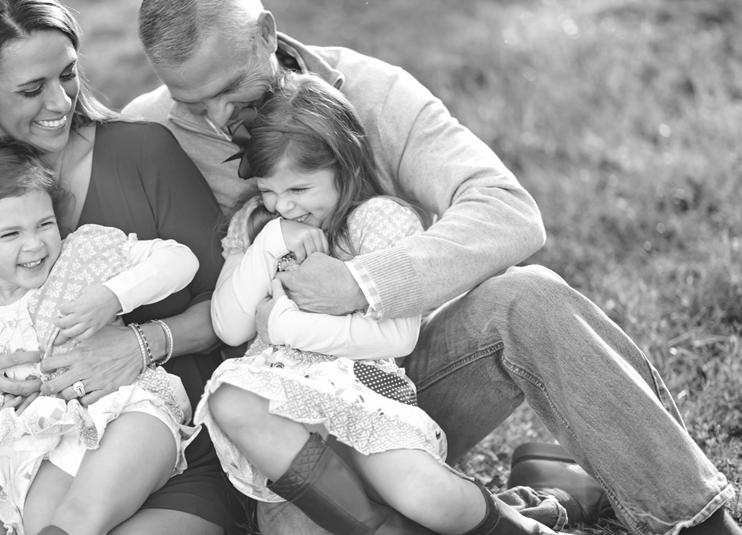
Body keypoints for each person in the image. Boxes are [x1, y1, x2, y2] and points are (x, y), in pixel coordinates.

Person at [125, 1, 741, 534]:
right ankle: (534, 503)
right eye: (192, 101)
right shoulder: (151, 131)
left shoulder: (373, 91)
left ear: (265, 34)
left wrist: (361, 282)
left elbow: (506, 212)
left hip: (398, 380)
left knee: (528, 296)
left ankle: (694, 518)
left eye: (232, 88)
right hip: (276, 423)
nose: (218, 118)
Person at [196, 72, 558, 535]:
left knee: (424, 494)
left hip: (363, 402)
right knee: (231, 399)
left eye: (299, 190)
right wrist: (268, 241)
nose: (284, 206)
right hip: (285, 430)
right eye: (270, 191)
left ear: (343, 168)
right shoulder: (257, 224)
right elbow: (228, 327)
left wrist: (282, 327)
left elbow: (398, 337)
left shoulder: (378, 222)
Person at [0, 2, 238, 534]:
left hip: (161, 436)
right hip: (34, 447)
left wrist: (140, 344)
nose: (60, 101)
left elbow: (231, 308)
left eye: (68, 74)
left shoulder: (141, 153)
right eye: (32, 90)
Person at [0, 141, 202, 535]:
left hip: (126, 410)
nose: (35, 244)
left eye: (44, 224)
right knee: (42, 522)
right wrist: (2, 418)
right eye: (10, 233)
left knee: (81, 513)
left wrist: (114, 294)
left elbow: (180, 259)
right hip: (46, 442)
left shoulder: (83, 253)